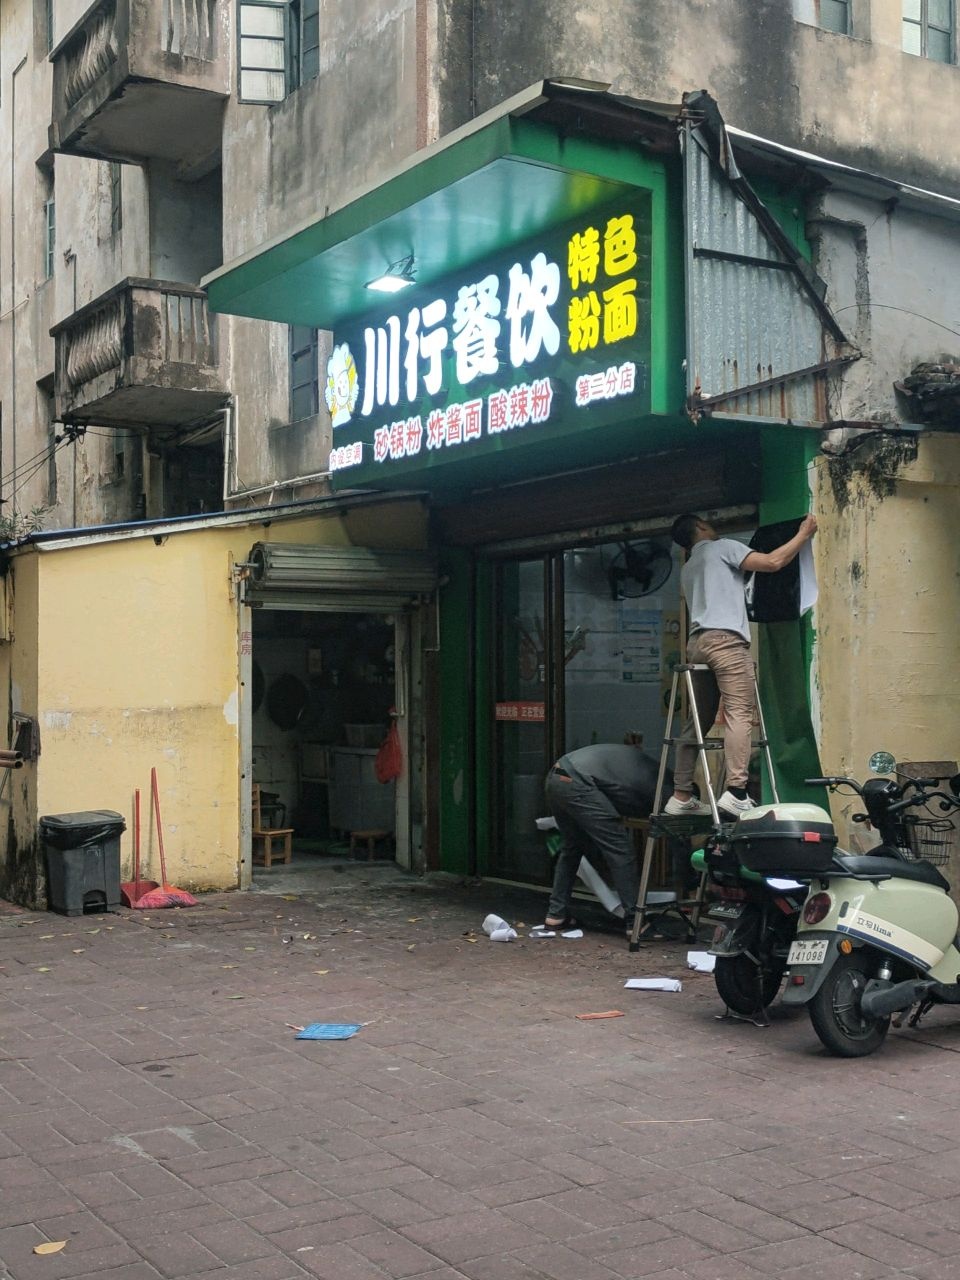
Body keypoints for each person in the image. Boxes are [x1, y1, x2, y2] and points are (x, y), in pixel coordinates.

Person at [663, 511, 817, 819]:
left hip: (698, 645)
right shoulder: (723, 548)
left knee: (699, 721)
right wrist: (804, 534)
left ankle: (681, 795)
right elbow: (772, 563)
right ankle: (736, 792)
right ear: (701, 527)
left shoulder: (690, 566)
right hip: (727, 642)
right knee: (739, 713)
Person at [543, 743, 668, 931]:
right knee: (621, 850)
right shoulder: (664, 787)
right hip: (580, 781)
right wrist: (690, 876)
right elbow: (669, 826)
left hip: (557, 775)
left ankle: (556, 914)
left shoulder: (650, 769)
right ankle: (635, 921)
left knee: (572, 847)